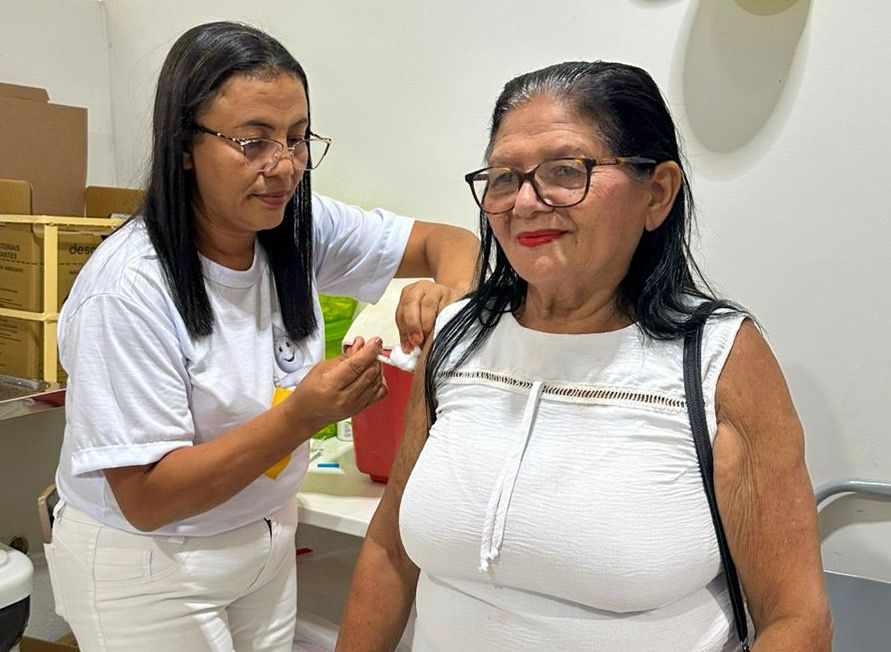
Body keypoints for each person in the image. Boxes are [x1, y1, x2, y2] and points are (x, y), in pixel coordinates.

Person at [337, 61, 832, 651]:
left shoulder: (717, 356)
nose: (525, 202)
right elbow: (390, 550)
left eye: (566, 170)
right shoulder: (456, 336)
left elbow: (795, 620)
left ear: (658, 192)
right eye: (503, 177)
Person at [44, 21, 477, 652]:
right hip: (152, 560)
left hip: (264, 534)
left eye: (298, 139)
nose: (283, 167)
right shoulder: (128, 289)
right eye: (253, 142)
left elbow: (450, 241)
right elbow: (146, 498)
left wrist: (448, 294)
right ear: (184, 145)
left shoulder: (294, 225)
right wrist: (304, 415)